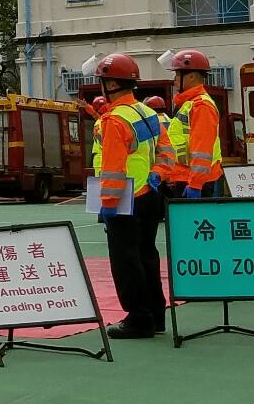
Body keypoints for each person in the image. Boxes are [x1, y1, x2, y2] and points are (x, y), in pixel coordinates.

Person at [92, 53, 173, 339]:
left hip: (126, 199)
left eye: (103, 81)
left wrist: (108, 204)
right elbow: (167, 152)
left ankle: (139, 318)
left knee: (126, 261)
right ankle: (155, 315)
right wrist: (158, 174)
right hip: (151, 193)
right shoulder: (147, 113)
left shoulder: (114, 120)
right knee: (147, 256)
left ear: (112, 84)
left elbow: (113, 168)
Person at [164, 49, 223, 199]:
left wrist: (195, 183)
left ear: (191, 76)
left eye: (178, 74)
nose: (175, 79)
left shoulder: (201, 106)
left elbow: (202, 148)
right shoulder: (190, 104)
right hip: (187, 178)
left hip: (194, 181)